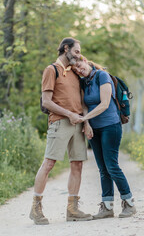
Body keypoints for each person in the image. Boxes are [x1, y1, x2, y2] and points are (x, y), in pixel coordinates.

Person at [29, 38, 93, 225]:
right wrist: (69, 114)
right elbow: (46, 102)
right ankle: (36, 208)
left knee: (77, 164)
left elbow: (82, 102)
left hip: (78, 124)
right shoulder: (52, 70)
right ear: (66, 49)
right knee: (49, 163)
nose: (78, 55)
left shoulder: (75, 73)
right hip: (59, 122)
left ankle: (72, 209)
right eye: (76, 51)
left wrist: (86, 122)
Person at [72, 56, 137, 219]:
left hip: (110, 126)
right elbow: (84, 105)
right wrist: (86, 124)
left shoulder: (102, 75)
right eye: (76, 70)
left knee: (112, 166)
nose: (79, 70)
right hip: (94, 129)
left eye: (79, 65)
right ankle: (107, 207)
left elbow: (105, 103)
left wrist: (82, 119)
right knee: (102, 169)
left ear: (85, 61)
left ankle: (129, 203)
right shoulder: (83, 82)